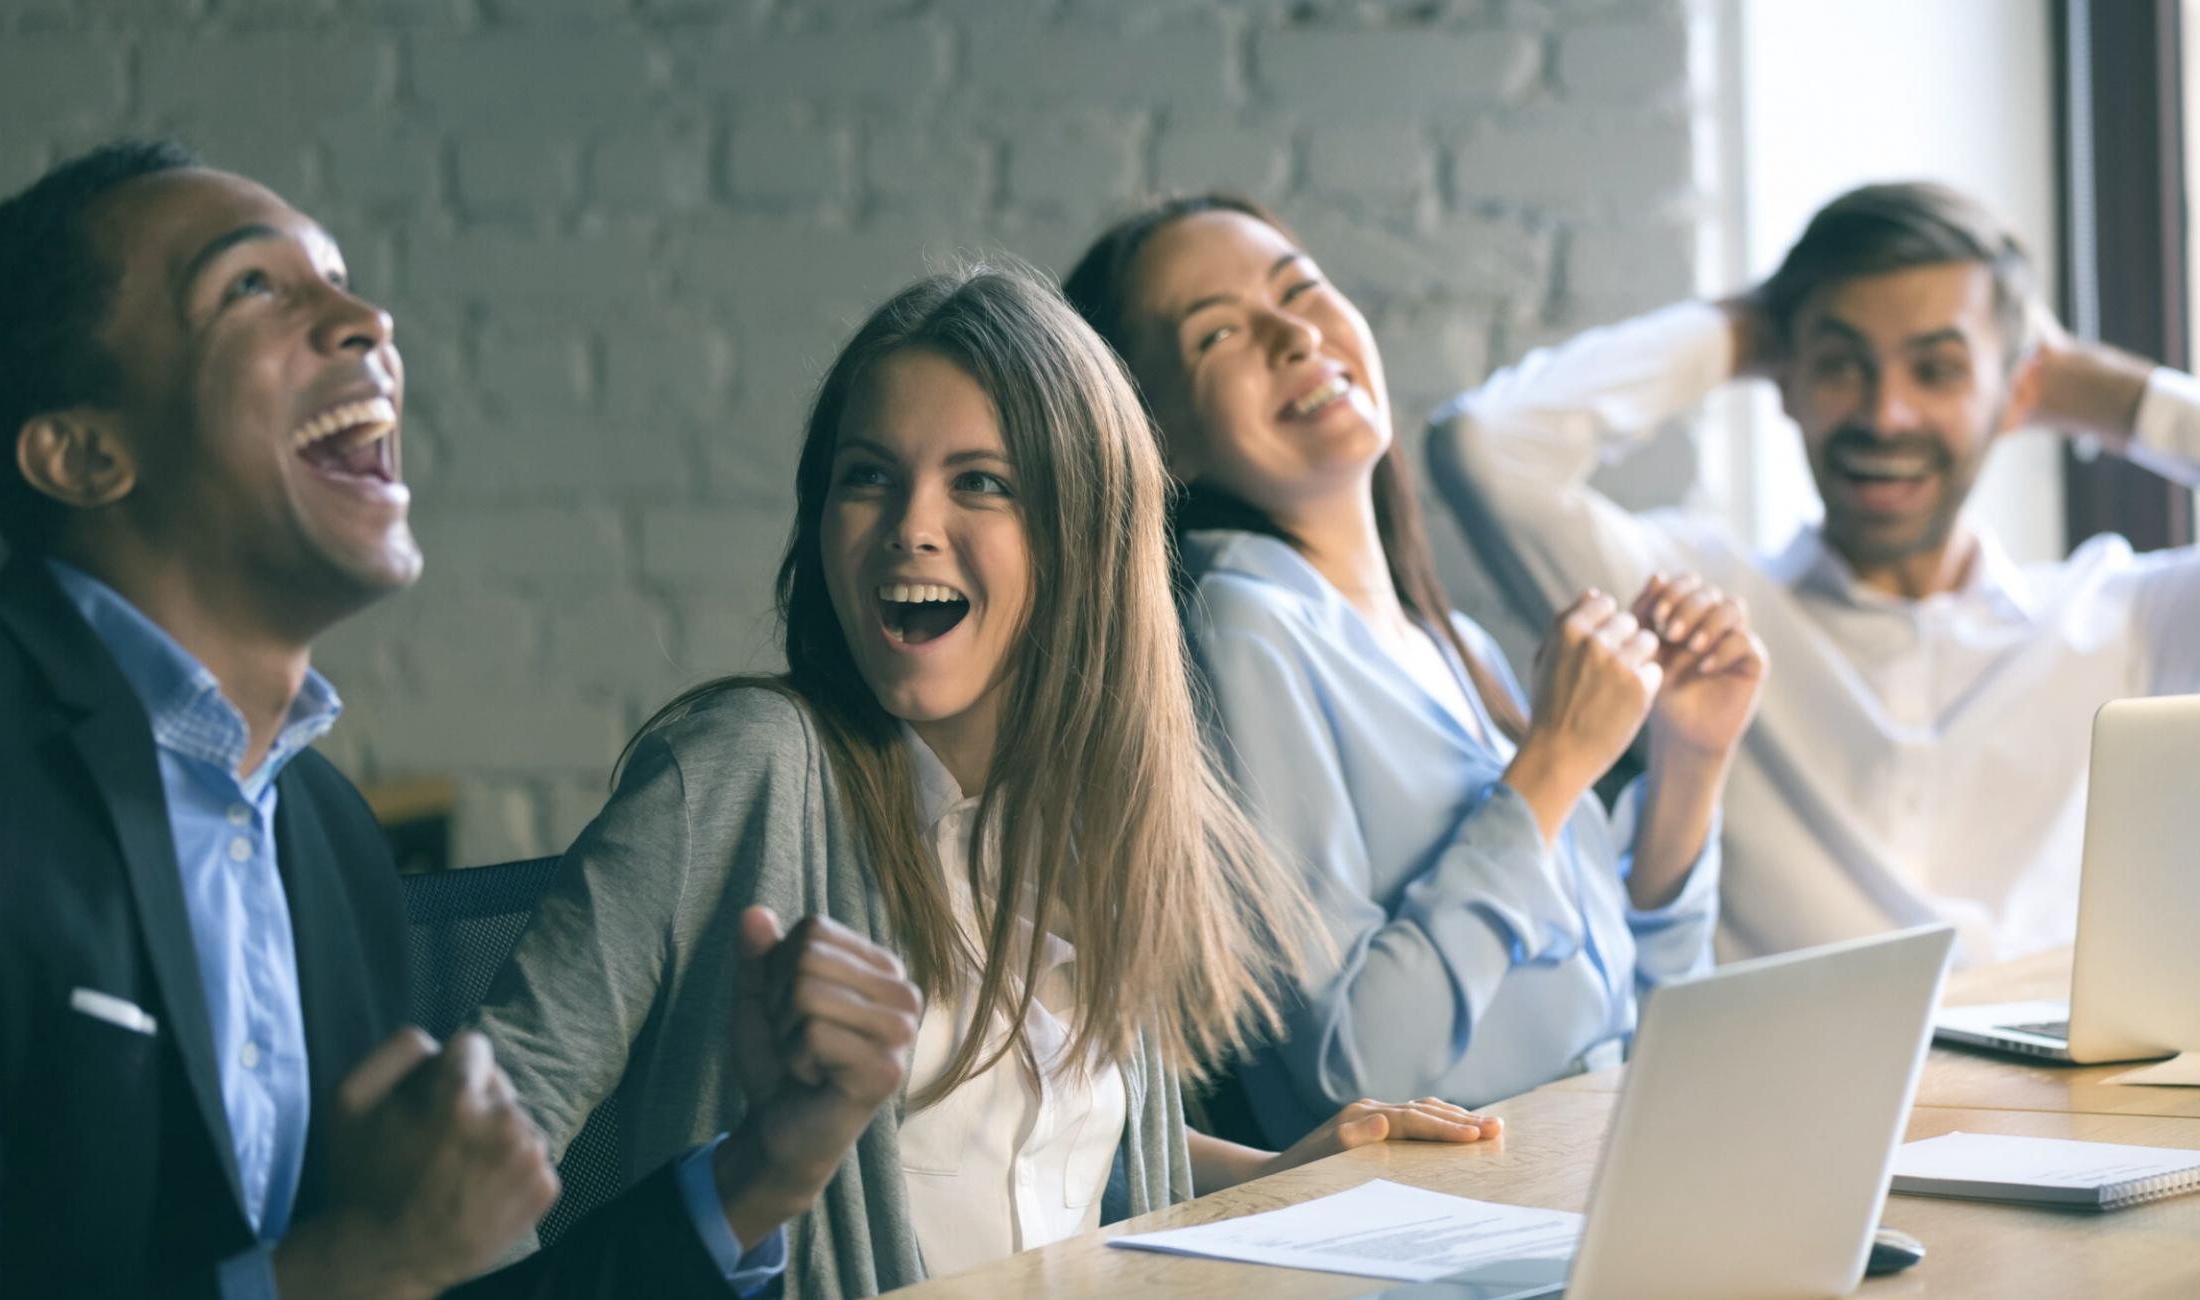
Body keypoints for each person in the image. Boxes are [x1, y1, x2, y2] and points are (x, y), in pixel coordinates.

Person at [471, 266, 1499, 1299]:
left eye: (980, 482)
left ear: (1084, 536)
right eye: (866, 477)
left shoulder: (1091, 813)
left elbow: (1036, 1153)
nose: (909, 525)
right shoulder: (744, 765)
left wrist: (1287, 1171)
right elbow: (468, 1154)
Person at [0, 140, 915, 1298]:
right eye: (253, 286)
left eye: (343, 282)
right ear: (84, 453)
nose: (368, 321)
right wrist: (347, 1266)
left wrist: (761, 1172)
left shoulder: (326, 835)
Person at [1425, 180, 2200, 963]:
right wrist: (1743, 328)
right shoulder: (1689, 605)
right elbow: (1483, 448)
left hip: (2060, 1128)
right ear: (1785, 381)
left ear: (2018, 391)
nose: (1885, 414)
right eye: (1840, 363)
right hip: (1782, 1125)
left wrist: (2106, 396)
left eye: (1937, 368)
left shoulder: (2124, 623)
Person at [1063, 196, 1767, 1148]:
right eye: (1217, 333)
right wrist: (1555, 764)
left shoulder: (1457, 648)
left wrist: (1691, 759)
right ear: (1160, 440)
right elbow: (1357, 1072)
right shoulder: (1240, 626)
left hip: (1594, 1157)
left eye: (1299, 289)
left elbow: (1649, 1021)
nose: (1292, 333)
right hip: (1457, 1201)